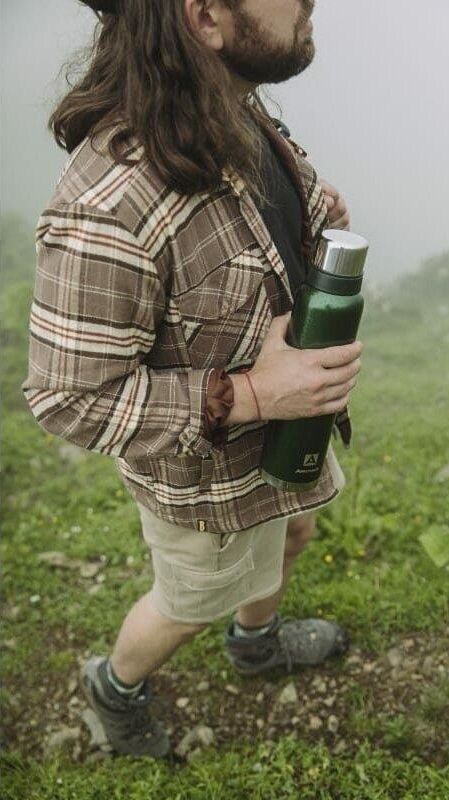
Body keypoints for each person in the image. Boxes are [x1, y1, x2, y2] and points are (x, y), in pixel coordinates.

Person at [21, 0, 363, 758]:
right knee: (189, 602)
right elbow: (66, 396)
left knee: (295, 530)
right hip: (205, 489)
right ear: (206, 16)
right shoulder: (108, 208)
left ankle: (256, 644)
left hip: (284, 442)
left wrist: (313, 212)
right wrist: (254, 394)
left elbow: (245, 245)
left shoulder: (233, 113)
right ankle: (115, 686)